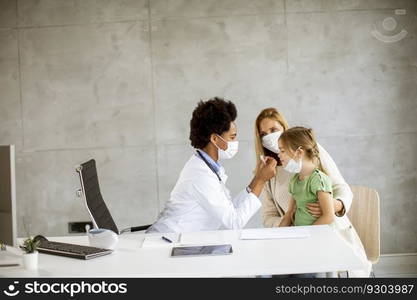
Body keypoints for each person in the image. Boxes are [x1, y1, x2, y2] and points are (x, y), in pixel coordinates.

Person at [254, 108, 371, 277]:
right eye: (263, 134)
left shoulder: (312, 154)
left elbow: (342, 190)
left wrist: (333, 205)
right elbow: (268, 217)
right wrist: (292, 225)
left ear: (284, 129)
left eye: (273, 130)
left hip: (324, 236)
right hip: (295, 240)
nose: (269, 137)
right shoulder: (269, 171)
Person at [146, 98, 277, 234]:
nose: (236, 142)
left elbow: (230, 209)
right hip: (166, 241)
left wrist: (257, 179)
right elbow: (234, 222)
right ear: (215, 139)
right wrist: (261, 180)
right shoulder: (200, 175)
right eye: (232, 137)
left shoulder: (206, 166)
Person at [277, 127, 335, 228]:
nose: (278, 155)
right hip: (303, 236)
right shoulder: (295, 180)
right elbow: (290, 213)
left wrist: (307, 234)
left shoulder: (318, 179)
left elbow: (329, 216)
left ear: (299, 152)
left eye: (282, 151)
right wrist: (276, 235)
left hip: (319, 238)